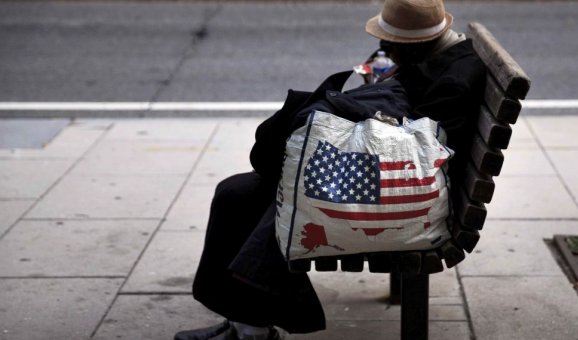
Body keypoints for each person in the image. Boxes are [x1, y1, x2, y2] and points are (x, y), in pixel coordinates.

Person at [174, 0, 485, 339]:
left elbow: (423, 153)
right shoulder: (437, 56)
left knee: (288, 200)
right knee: (234, 193)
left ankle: (252, 329)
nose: (384, 47)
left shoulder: (454, 79)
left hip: (408, 195)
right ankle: (241, 317)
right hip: (393, 175)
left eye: (392, 43)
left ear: (419, 43)